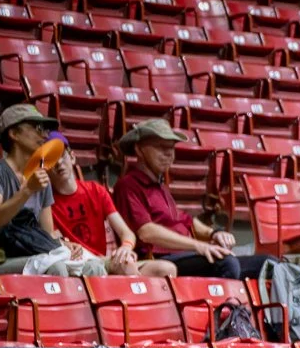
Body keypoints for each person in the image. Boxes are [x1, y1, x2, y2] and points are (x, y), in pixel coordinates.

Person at [113, 119, 277, 282]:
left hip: (187, 254)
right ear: (139, 150)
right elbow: (146, 232)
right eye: (161, 147)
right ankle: (225, 307)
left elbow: (187, 221)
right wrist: (198, 245)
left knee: (269, 264)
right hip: (160, 259)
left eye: (171, 148)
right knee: (226, 263)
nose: (169, 154)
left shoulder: (160, 187)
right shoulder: (128, 186)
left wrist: (214, 233)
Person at [0, 102, 104, 276]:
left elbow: (46, 232)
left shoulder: (41, 176)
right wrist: (27, 190)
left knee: (94, 267)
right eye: (37, 127)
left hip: (33, 252)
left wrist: (62, 244)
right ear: (14, 133)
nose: (44, 134)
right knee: (56, 268)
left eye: (44, 129)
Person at [50, 151, 175, 278]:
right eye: (52, 160)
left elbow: (126, 233)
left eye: (62, 156)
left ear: (72, 157)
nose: (59, 163)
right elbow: (53, 240)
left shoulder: (96, 190)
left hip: (103, 260)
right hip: (77, 265)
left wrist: (125, 248)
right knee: (125, 268)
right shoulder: (46, 204)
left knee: (166, 269)